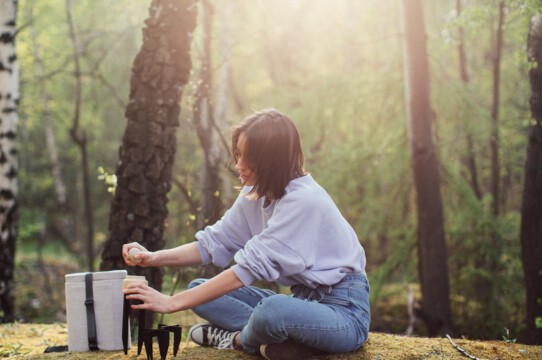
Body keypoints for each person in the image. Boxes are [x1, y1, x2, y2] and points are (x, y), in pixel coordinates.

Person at [122, 108, 370, 360]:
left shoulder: (303, 200)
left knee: (273, 311)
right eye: (238, 154)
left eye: (248, 158)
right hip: (304, 303)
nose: (238, 165)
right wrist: (152, 257)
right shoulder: (256, 192)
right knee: (199, 291)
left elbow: (245, 271)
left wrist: (171, 303)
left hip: (344, 314)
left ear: (271, 160)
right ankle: (280, 341)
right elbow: (212, 243)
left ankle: (239, 339)